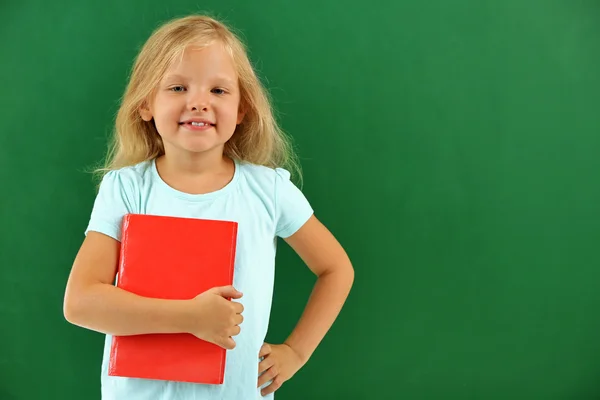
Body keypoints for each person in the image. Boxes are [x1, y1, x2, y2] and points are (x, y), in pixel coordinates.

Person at [63, 14, 354, 400]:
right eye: (178, 87)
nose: (198, 102)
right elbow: (80, 302)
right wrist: (190, 318)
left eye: (218, 91)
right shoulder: (127, 189)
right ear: (146, 103)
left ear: (242, 109)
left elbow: (336, 268)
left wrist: (296, 352)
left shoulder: (267, 190)